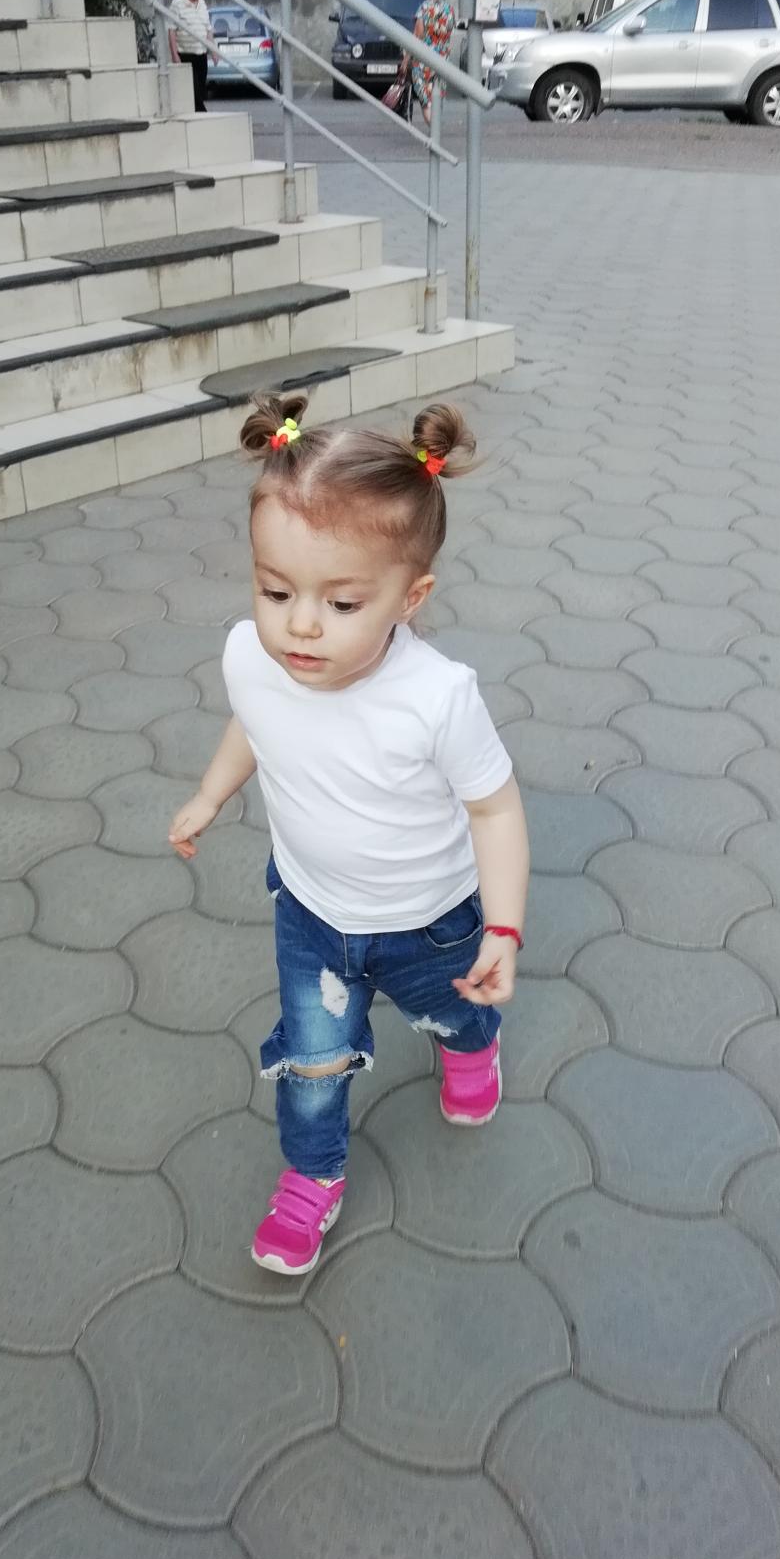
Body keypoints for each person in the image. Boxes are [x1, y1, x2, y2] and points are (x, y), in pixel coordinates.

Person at [169, 394, 531, 1277]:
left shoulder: (436, 698)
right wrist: (211, 794)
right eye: (275, 590)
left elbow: (495, 809)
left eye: (340, 602)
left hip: (430, 922)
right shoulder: (253, 657)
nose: (299, 624)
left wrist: (503, 928)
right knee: (312, 1061)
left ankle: (471, 1045)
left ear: (410, 598)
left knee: (454, 1010)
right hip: (311, 916)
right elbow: (254, 722)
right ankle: (312, 1174)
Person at [404, 0, 456, 128]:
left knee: (425, 100)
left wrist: (406, 59)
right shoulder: (450, 10)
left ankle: (434, 130)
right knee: (437, 96)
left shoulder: (424, 7)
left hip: (423, 60)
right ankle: (436, 128)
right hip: (442, 59)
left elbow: (418, 34)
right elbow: (449, 33)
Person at [168, 0, 216, 113]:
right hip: (186, 54)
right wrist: (174, 54)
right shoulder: (177, 3)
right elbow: (171, 30)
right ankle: (203, 115)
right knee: (193, 90)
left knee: (200, 90)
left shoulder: (202, 3)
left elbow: (208, 29)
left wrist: (213, 51)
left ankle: (196, 115)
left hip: (201, 53)